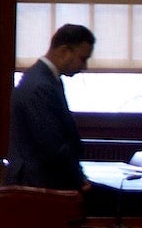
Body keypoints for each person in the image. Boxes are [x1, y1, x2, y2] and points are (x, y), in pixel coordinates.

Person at [7, 24, 95, 191]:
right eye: (83, 58)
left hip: (39, 183)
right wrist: (78, 179)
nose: (85, 67)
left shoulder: (44, 79)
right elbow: (52, 147)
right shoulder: (41, 85)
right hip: (38, 186)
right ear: (64, 51)